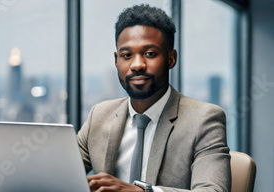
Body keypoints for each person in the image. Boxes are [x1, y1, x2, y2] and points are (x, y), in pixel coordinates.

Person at [77, 4, 231, 192]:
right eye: (127, 55)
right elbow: (60, 175)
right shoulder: (99, 115)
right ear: (116, 60)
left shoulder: (204, 120)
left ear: (171, 59)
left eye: (150, 54)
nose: (137, 65)